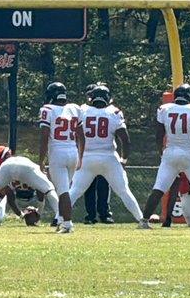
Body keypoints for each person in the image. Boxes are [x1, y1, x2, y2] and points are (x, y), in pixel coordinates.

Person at [139, 83, 190, 229]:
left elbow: (159, 135)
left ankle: (144, 221)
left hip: (171, 151)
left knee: (159, 188)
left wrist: (162, 152)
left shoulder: (165, 109)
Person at [68, 84, 143, 229]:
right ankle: (141, 219)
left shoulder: (82, 110)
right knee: (123, 191)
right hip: (109, 157)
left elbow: (73, 133)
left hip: (87, 156)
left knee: (75, 190)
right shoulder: (113, 112)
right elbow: (125, 140)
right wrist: (124, 159)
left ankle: (59, 217)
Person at [38, 80, 82, 233]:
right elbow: (81, 135)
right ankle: (62, 220)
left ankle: (67, 224)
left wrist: (41, 159)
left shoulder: (47, 109)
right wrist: (81, 156)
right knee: (64, 189)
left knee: (63, 190)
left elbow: (44, 137)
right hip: (73, 151)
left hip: (58, 152)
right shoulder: (75, 108)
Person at [0, 154, 59, 223]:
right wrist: (39, 212)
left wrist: (21, 215)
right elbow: (41, 193)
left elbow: (10, 199)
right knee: (49, 189)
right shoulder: (33, 179)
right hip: (27, 167)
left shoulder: (11, 184)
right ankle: (59, 217)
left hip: (7, 165)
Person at [80, 85, 112, 223]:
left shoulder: (83, 110)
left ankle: (95, 214)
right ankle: (100, 214)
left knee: (93, 187)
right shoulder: (111, 111)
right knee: (95, 186)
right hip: (102, 154)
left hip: (88, 153)